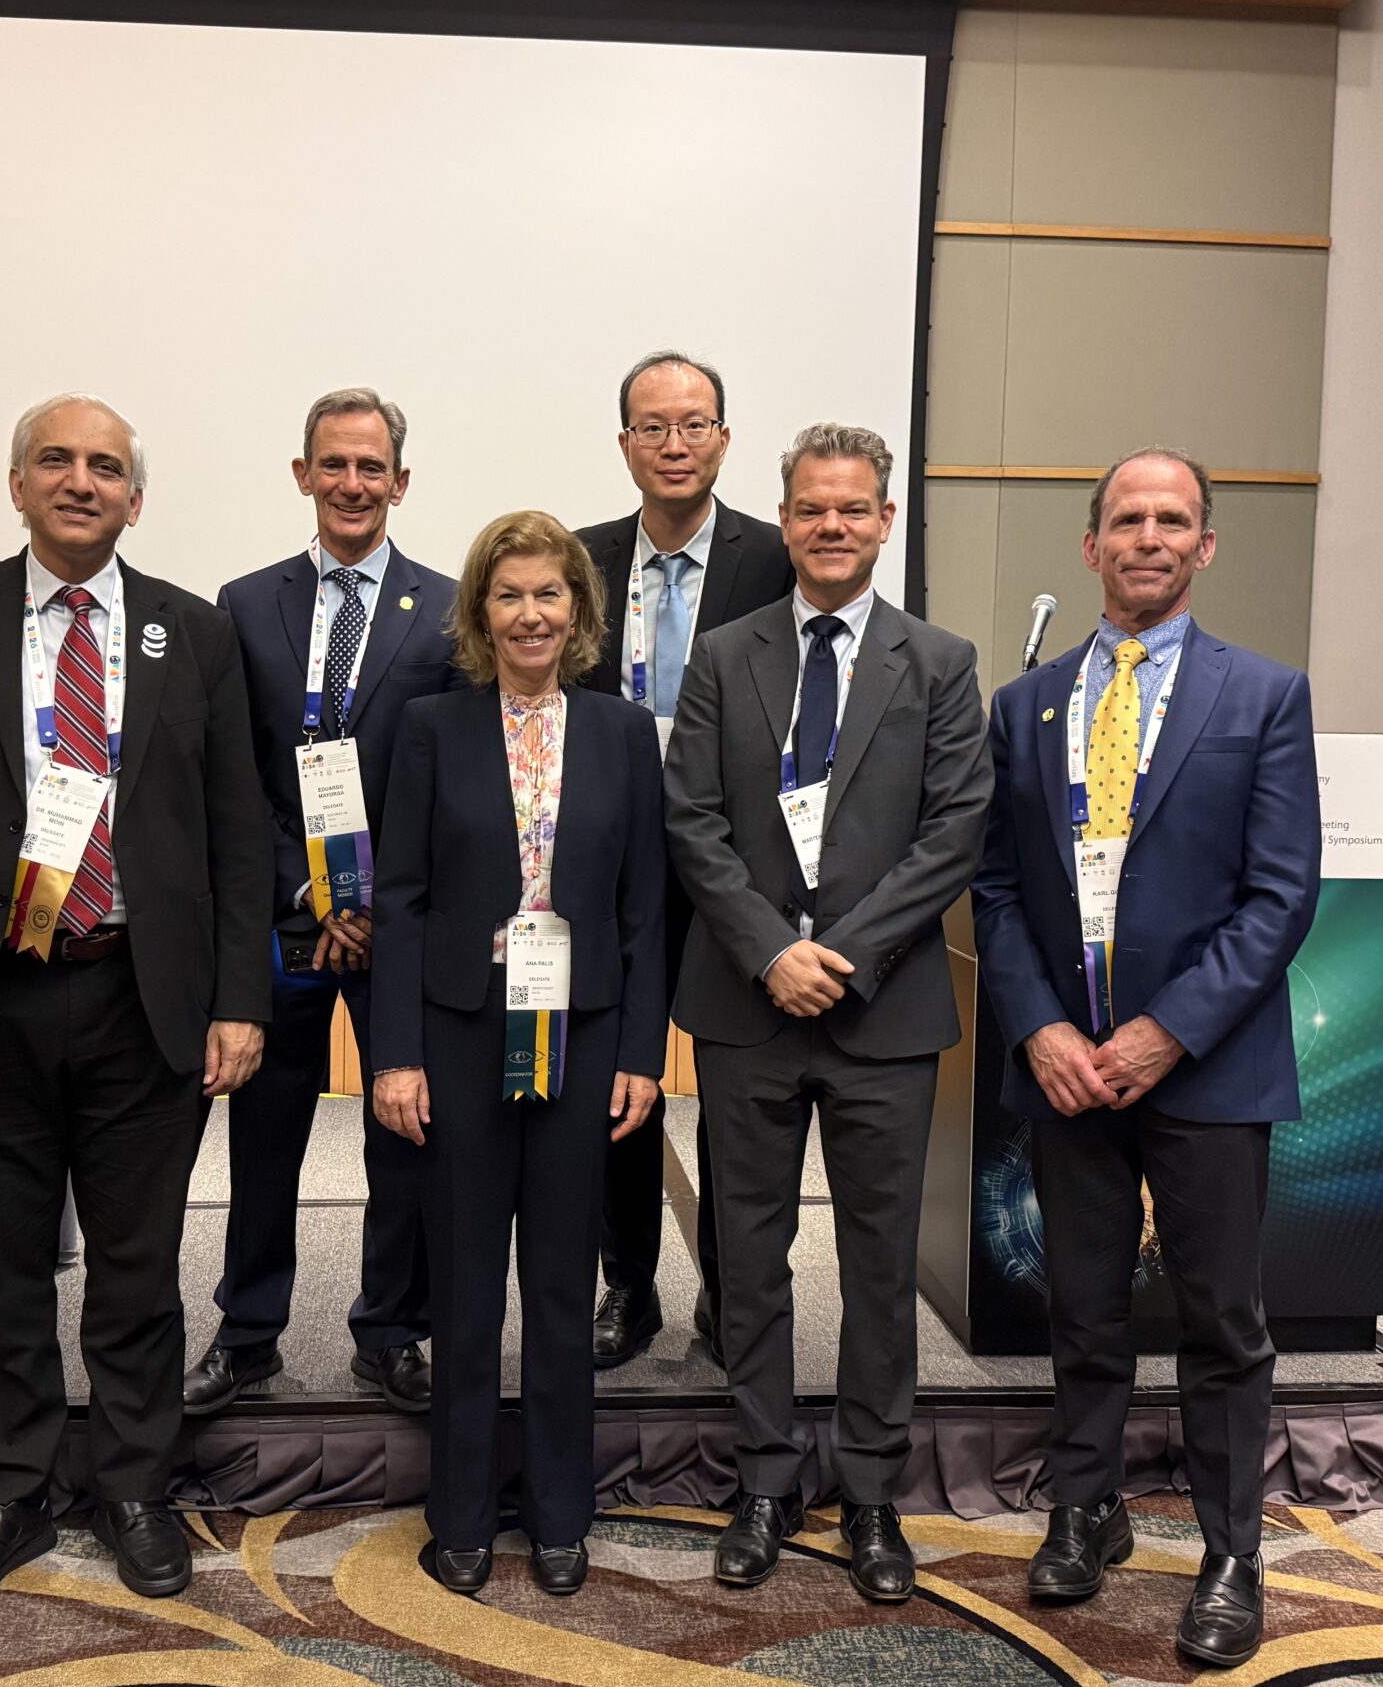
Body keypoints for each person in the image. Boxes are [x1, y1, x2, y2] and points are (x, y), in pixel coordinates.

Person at [0, 392, 270, 1617]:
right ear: (18, 484)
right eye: (56, 461)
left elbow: (237, 833)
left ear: (134, 499)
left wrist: (239, 996)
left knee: (137, 1269)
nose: (80, 481)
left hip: (143, 996)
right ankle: (10, 1489)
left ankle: (135, 1485)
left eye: (105, 467)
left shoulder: (191, 633)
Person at [969, 446, 1319, 1669]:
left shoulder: (1264, 696)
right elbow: (998, 889)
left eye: (1174, 521)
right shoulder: (1026, 708)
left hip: (1204, 1066)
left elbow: (1280, 898)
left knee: (1222, 1316)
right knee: (1081, 1302)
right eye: (1127, 520)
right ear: (1090, 546)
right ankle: (1086, 1506)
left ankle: (1231, 1551)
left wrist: (1166, 1031)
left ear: (1206, 547)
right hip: (1070, 1066)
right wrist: (1043, 1029)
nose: (1149, 538)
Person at [664, 422, 989, 1604]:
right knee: (747, 1260)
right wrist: (769, 953)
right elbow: (689, 821)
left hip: (881, 1013)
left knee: (874, 1266)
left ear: (885, 521)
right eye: (811, 509)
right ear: (786, 517)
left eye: (854, 509)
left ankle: (868, 1494)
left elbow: (954, 830)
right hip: (747, 1008)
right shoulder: (723, 655)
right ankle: (760, 1477)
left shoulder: (940, 662)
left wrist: (837, 954)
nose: (832, 527)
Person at [370, 510, 667, 1598]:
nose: (530, 614)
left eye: (550, 595)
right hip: (454, 1036)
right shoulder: (429, 729)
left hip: (585, 1037)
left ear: (579, 612)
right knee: (462, 1285)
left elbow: (645, 910)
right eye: (509, 595)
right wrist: (391, 1056)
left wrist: (643, 1052)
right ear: (479, 613)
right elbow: (398, 902)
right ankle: (456, 1512)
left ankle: (556, 1509)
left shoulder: (623, 734)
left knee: (555, 1280)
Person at [188, 389, 462, 1418]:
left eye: (371, 466)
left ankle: (393, 1331)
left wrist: (378, 898)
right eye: (333, 465)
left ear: (399, 481)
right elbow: (233, 771)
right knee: (263, 1138)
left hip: (400, 924)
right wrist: (306, 888)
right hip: (279, 918)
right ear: (302, 475)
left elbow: (453, 775)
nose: (353, 484)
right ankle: (248, 1331)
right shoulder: (244, 602)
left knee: (405, 1133)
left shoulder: (445, 606)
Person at [576, 350, 793, 1369]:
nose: (674, 444)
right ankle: (630, 1288)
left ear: (723, 437)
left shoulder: (774, 559)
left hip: (731, 867)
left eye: (693, 424)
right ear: (625, 444)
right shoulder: (580, 562)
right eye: (652, 427)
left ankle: (731, 1293)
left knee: (735, 1091)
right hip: (608, 867)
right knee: (618, 1082)